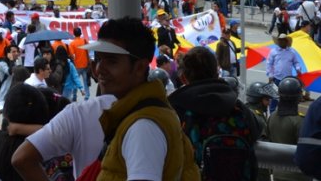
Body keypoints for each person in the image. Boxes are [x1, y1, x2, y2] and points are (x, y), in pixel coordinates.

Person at [80, 16, 199, 180]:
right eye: (98, 60)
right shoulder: (136, 114)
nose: (100, 69)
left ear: (140, 67)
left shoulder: (144, 127)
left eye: (112, 61)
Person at [167, 46, 259, 177]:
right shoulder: (238, 107)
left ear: (183, 78)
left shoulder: (173, 111)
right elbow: (256, 131)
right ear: (216, 73)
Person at [266, 77, 306, 181]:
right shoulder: (299, 121)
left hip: (277, 172)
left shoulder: (272, 116)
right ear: (297, 97)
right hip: (297, 174)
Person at [68, 26, 92, 100]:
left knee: (75, 81)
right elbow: (89, 50)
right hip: (85, 65)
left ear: (74, 34)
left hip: (76, 66)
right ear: (81, 33)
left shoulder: (72, 44)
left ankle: (74, 96)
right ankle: (87, 96)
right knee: (85, 81)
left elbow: (72, 55)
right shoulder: (85, 41)